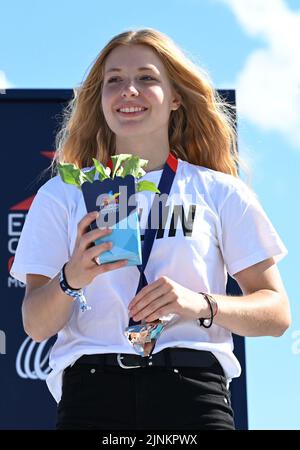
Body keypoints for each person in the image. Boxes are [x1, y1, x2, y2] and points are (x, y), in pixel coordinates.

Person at [10, 27, 291, 430]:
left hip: (194, 388)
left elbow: (277, 313)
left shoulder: (220, 191)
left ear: (175, 97)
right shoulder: (63, 193)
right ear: (101, 98)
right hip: (91, 392)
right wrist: (73, 277)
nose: (129, 90)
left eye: (146, 78)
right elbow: (36, 324)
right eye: (115, 81)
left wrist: (201, 304)